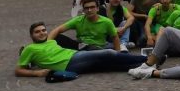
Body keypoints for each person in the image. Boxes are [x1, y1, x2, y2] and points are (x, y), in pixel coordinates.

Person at [16, 22, 146, 78]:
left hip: (75, 57)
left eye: (44, 30)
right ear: (32, 35)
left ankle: (144, 67)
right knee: (109, 53)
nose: (42, 33)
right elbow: (18, 70)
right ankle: (147, 59)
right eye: (37, 32)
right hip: (69, 63)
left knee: (108, 66)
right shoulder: (29, 48)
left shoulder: (51, 41)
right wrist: (37, 73)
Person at [48, 0, 121, 51]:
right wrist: (46, 45)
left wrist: (118, 54)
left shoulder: (107, 22)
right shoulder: (78, 20)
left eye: (92, 7)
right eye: (87, 8)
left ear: (97, 8)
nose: (89, 10)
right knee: (57, 37)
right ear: (83, 10)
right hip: (81, 46)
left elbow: (115, 38)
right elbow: (57, 30)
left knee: (108, 52)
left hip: (98, 49)